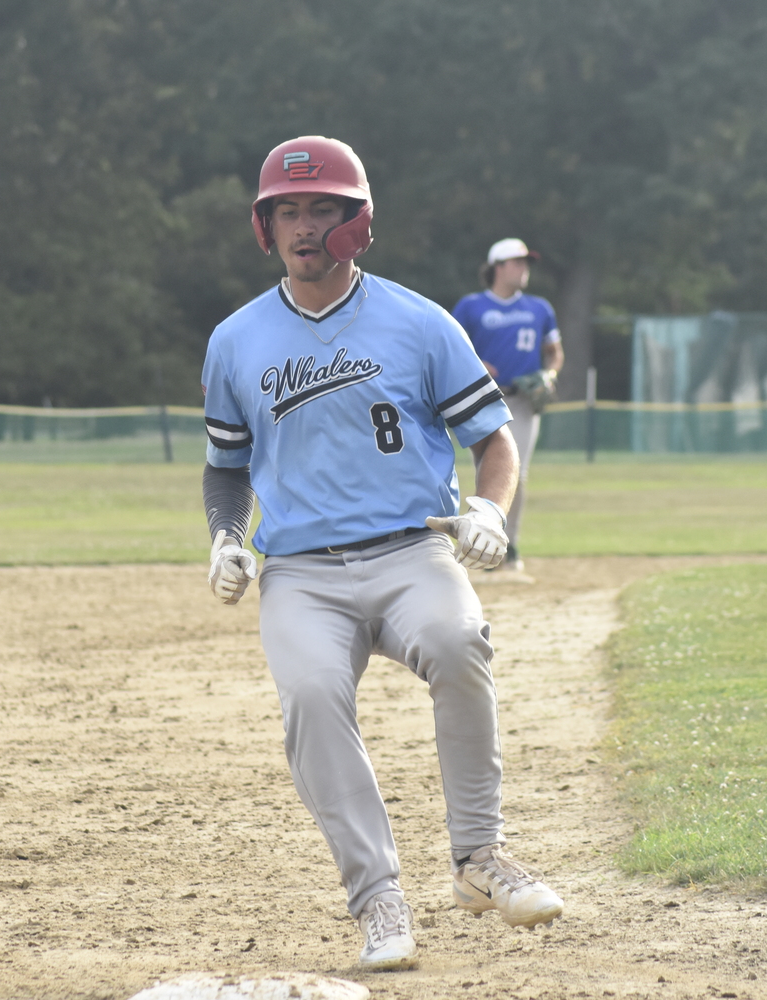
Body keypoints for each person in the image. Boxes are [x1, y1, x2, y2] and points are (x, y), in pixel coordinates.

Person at [201, 136, 563, 973]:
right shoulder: (236, 340)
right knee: (312, 694)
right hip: (300, 574)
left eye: (321, 208)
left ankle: (479, 862)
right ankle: (379, 900)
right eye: (286, 211)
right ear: (265, 227)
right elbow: (224, 468)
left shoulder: (418, 320)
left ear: (357, 221)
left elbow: (496, 442)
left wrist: (488, 508)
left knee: (457, 641)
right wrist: (225, 537)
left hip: (412, 553)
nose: (303, 226)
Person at [452, 240, 565, 574]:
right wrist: (475, 362)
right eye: (517, 262)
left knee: (519, 473)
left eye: (526, 262)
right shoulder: (471, 307)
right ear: (498, 266)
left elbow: (554, 352)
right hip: (483, 398)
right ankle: (482, 541)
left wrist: (550, 373)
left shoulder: (540, 308)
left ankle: (508, 543)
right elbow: (452, 347)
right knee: (485, 471)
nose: (524, 268)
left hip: (523, 399)